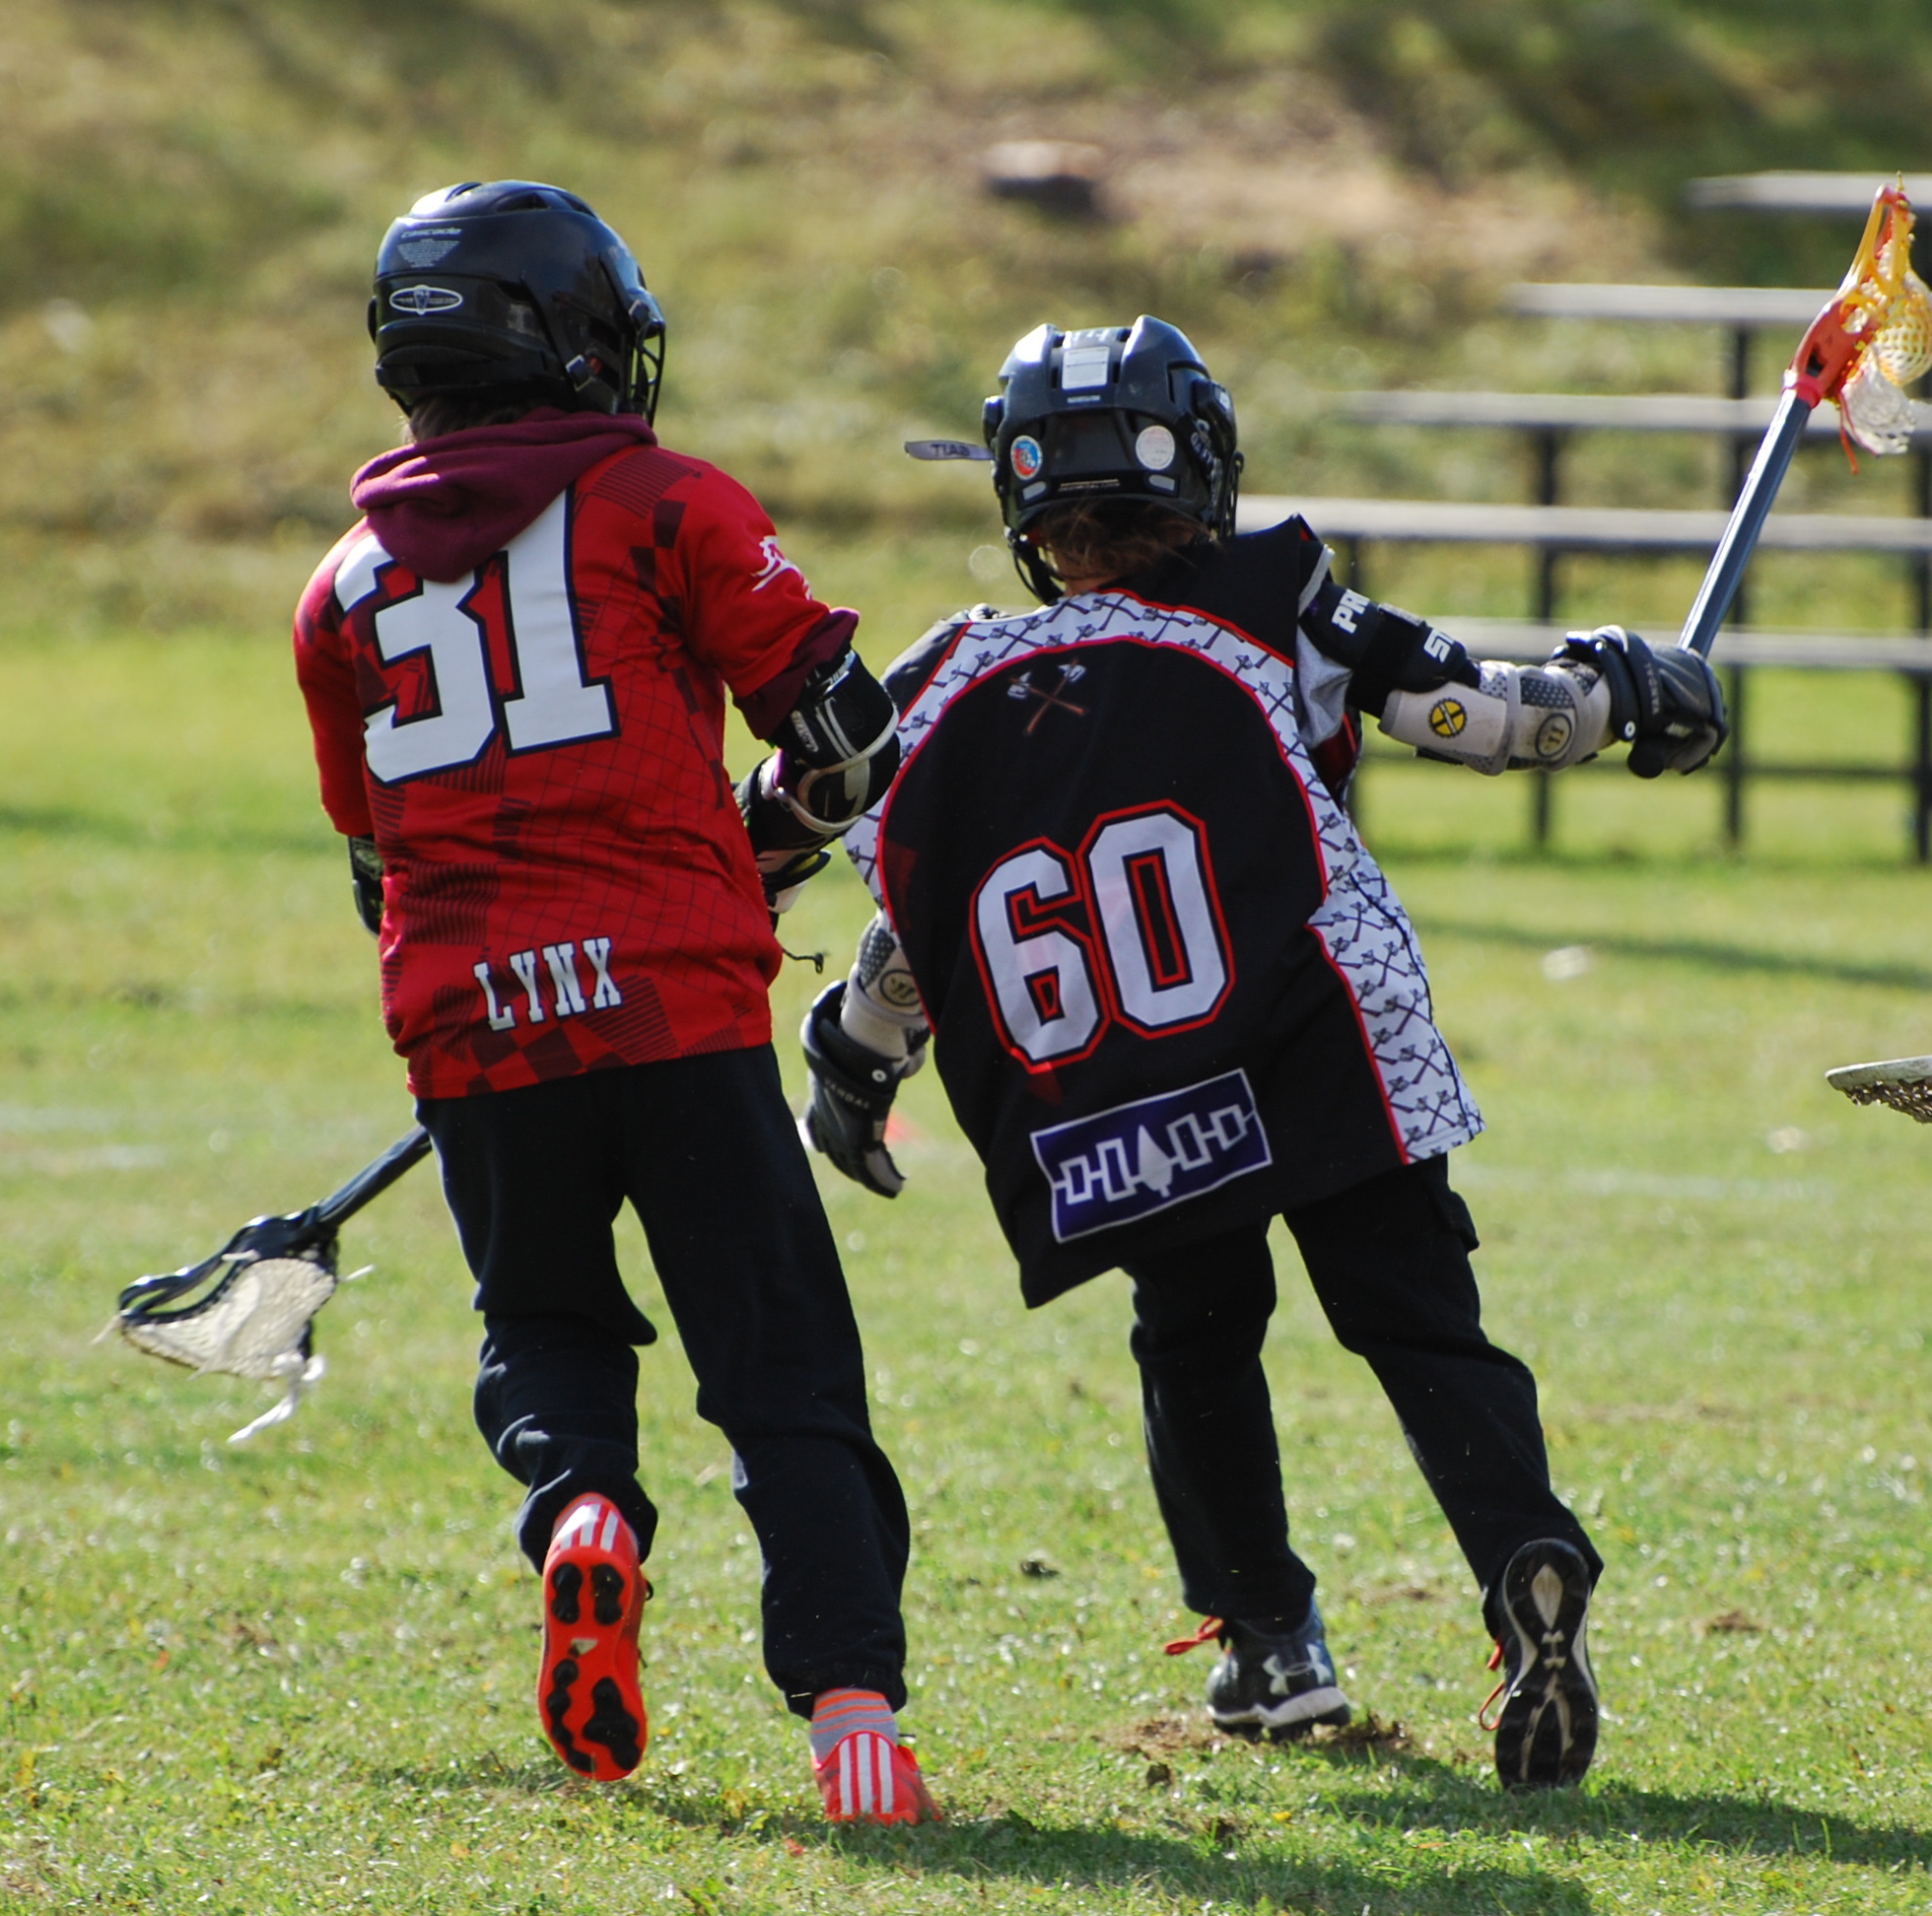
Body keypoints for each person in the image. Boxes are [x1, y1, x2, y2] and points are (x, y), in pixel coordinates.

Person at [794, 315, 1726, 1791]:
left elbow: (917, 905)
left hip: (1138, 1087)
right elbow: (1489, 721)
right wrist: (1629, 685)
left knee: (1196, 1343)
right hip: (1322, 1032)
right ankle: (1521, 1554)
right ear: (1203, 462)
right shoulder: (1274, 601)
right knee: (1423, 1325)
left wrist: (858, 1049)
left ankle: (1268, 1635)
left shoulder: (952, 672)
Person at [290, 180, 933, 1820]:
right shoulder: (663, 503)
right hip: (673, 1004)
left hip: (474, 1026)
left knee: (548, 1332)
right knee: (782, 1367)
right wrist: (749, 848)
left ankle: (584, 1514)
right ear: (566, 340)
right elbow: (848, 743)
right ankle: (852, 1714)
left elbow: (378, 860)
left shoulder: (341, 586)